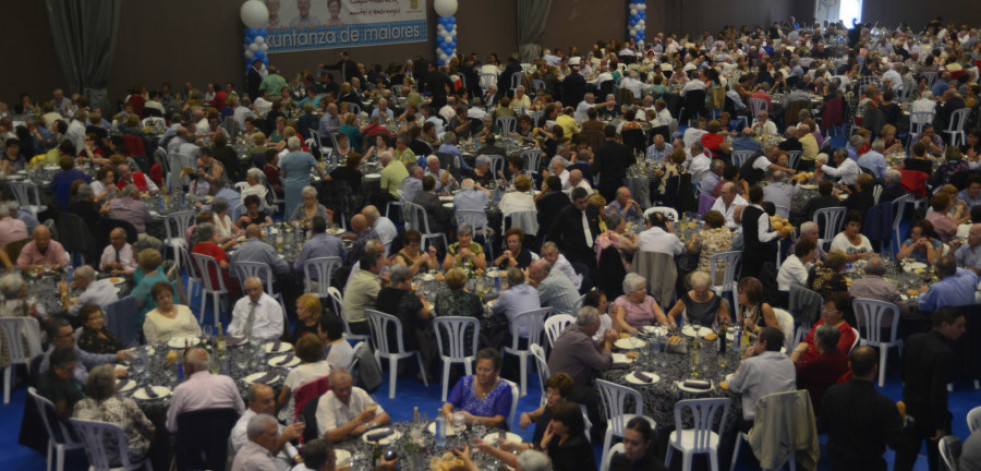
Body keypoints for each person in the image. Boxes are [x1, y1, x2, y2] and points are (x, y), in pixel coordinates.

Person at [896, 307, 967, 471]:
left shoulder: (912, 339)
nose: (963, 331)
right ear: (945, 325)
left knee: (904, 461)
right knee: (939, 463)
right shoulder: (944, 353)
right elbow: (938, 394)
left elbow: (903, 374)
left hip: (909, 411)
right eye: (959, 326)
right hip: (931, 416)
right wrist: (940, 425)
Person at [818, 346, 903, 471]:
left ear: (849, 365)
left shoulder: (832, 392)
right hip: (869, 465)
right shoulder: (885, 405)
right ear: (876, 368)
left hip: (838, 462)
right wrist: (901, 421)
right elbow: (896, 443)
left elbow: (821, 427)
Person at [548, 306, 616, 441]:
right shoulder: (581, 340)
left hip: (556, 378)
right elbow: (603, 366)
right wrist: (608, 343)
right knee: (598, 394)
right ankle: (598, 432)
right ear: (591, 325)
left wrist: (601, 343)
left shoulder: (572, 329)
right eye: (598, 325)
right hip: (565, 387)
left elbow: (589, 348)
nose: (599, 328)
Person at [72, 364, 155, 465]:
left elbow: (80, 434)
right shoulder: (125, 403)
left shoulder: (79, 405)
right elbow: (150, 429)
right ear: (111, 385)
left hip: (97, 457)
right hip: (128, 457)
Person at [722, 326, 796, 430]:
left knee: (732, 423)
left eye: (756, 340)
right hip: (785, 423)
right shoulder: (790, 363)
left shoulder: (752, 364)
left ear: (764, 343)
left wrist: (745, 359)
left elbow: (733, 385)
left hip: (760, 424)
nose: (754, 343)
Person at [166, 347, 245, 432]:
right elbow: (241, 412)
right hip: (225, 441)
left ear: (188, 367)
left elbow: (171, 427)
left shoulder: (181, 390)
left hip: (193, 444)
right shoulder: (227, 382)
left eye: (184, 364)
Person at [230, 384, 303, 469]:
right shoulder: (243, 430)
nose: (272, 404)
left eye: (273, 399)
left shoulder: (265, 414)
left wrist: (297, 458)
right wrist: (284, 438)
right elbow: (262, 458)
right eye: (266, 402)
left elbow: (284, 443)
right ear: (251, 405)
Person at [40, 317, 128, 383]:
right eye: (68, 335)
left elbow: (90, 358)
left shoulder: (68, 345)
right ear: (56, 340)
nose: (73, 337)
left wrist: (116, 356)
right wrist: (108, 375)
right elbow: (80, 379)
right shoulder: (56, 358)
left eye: (72, 332)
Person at [441, 348, 513, 429]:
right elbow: (446, 407)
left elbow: (498, 421)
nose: (482, 373)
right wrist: (449, 415)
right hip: (465, 430)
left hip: (491, 434)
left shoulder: (503, 389)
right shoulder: (465, 382)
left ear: (497, 371)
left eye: (487, 370)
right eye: (479, 369)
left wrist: (473, 419)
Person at [316, 368, 390, 440]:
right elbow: (331, 436)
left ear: (351, 384)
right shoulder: (325, 402)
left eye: (347, 388)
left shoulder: (359, 392)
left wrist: (366, 426)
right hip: (336, 445)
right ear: (332, 388)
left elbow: (384, 416)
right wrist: (359, 420)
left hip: (358, 439)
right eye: (341, 390)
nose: (345, 393)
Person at [791, 293, 857, 364]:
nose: (824, 312)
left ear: (840, 314)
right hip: (803, 358)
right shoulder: (823, 321)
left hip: (819, 365)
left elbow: (831, 358)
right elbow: (808, 341)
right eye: (824, 308)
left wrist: (798, 354)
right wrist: (798, 352)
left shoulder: (846, 333)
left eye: (829, 310)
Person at [548, 187, 601, 274]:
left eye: (586, 201)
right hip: (575, 253)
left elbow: (597, 227)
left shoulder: (592, 209)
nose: (584, 205)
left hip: (592, 250)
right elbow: (553, 232)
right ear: (573, 201)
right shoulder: (565, 213)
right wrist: (563, 246)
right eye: (580, 203)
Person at [795, 323, 849, 408]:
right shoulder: (843, 356)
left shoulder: (817, 363)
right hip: (837, 399)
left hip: (814, 402)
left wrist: (797, 351)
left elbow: (793, 374)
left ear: (817, 342)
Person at [277, 335, 331, 411]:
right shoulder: (328, 367)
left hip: (297, 417)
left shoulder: (295, 373)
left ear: (299, 352)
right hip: (323, 409)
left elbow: (282, 400)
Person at [538, 401, 596, 471]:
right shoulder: (559, 434)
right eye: (552, 419)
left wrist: (543, 445)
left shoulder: (574, 447)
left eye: (555, 421)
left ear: (568, 424)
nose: (551, 423)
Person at [38, 346, 86, 424]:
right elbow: (63, 416)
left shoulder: (61, 376)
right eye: (69, 369)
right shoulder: (54, 386)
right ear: (56, 368)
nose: (73, 373)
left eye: (73, 368)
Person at [666, 270, 730, 328]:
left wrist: (724, 320)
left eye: (704, 291)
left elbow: (727, 320)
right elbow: (670, 314)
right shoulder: (685, 299)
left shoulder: (717, 300)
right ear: (693, 287)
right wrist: (673, 324)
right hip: (688, 335)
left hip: (710, 334)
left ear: (709, 287)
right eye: (697, 291)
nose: (700, 294)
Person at [280, 136, 324, 217]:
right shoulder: (307, 156)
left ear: (289, 146)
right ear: (300, 145)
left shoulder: (285, 158)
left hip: (290, 186)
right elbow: (318, 167)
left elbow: (282, 174)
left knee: (291, 209)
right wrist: (323, 177)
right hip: (304, 185)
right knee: (306, 207)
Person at [342, 250, 383, 336]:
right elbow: (386, 302)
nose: (382, 266)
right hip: (357, 324)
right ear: (372, 267)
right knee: (391, 325)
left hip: (348, 320)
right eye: (380, 264)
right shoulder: (369, 282)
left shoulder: (359, 275)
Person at [493, 267, 542, 337]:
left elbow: (494, 309)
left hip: (519, 338)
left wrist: (504, 290)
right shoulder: (533, 290)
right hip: (539, 334)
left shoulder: (507, 295)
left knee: (499, 332)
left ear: (509, 282)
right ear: (523, 279)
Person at [130, 249, 169, 327]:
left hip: (150, 317)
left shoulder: (145, 283)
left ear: (142, 266)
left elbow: (136, 305)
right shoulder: (162, 275)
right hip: (163, 311)